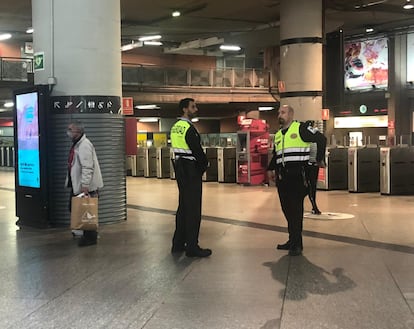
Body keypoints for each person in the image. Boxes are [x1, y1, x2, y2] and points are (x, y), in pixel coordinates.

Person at [267, 105, 326, 256]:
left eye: (283, 112)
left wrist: (319, 159)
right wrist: (271, 170)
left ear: (291, 114)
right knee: (287, 209)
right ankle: (292, 239)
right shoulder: (279, 134)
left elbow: (321, 139)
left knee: (295, 211)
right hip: (283, 178)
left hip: (297, 177)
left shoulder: (300, 128)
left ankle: (297, 243)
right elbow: (276, 154)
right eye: (279, 112)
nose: (280, 115)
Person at [170, 98, 212, 257]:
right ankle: (192, 246)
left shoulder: (175, 128)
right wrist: (205, 165)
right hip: (190, 169)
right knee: (193, 208)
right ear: (184, 109)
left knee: (183, 207)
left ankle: (178, 243)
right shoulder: (189, 128)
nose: (196, 109)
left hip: (180, 168)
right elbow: (197, 150)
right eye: (193, 107)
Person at [66, 120, 103, 247]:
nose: (69, 132)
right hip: (79, 184)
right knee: (78, 208)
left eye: (71, 129)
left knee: (87, 210)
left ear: (79, 131)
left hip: (86, 186)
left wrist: (85, 185)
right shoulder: (77, 144)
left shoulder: (84, 145)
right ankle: (84, 233)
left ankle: (90, 237)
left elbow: (88, 167)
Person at [305, 121, 322, 215]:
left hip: (309, 165)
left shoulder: (307, 141)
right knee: (312, 186)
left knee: (310, 186)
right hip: (313, 165)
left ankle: (314, 205)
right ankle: (314, 205)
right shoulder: (316, 141)